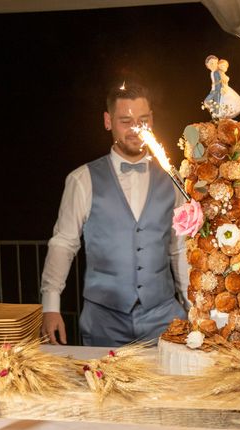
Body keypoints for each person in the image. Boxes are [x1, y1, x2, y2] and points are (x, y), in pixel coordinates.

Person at [40, 81, 188, 346]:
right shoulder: (82, 179)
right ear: (108, 121)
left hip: (164, 320)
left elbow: (180, 249)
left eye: (143, 120)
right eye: (125, 121)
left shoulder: (172, 180)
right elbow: (64, 244)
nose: (136, 129)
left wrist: (194, 307)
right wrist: (50, 306)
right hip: (103, 322)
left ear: (152, 120)